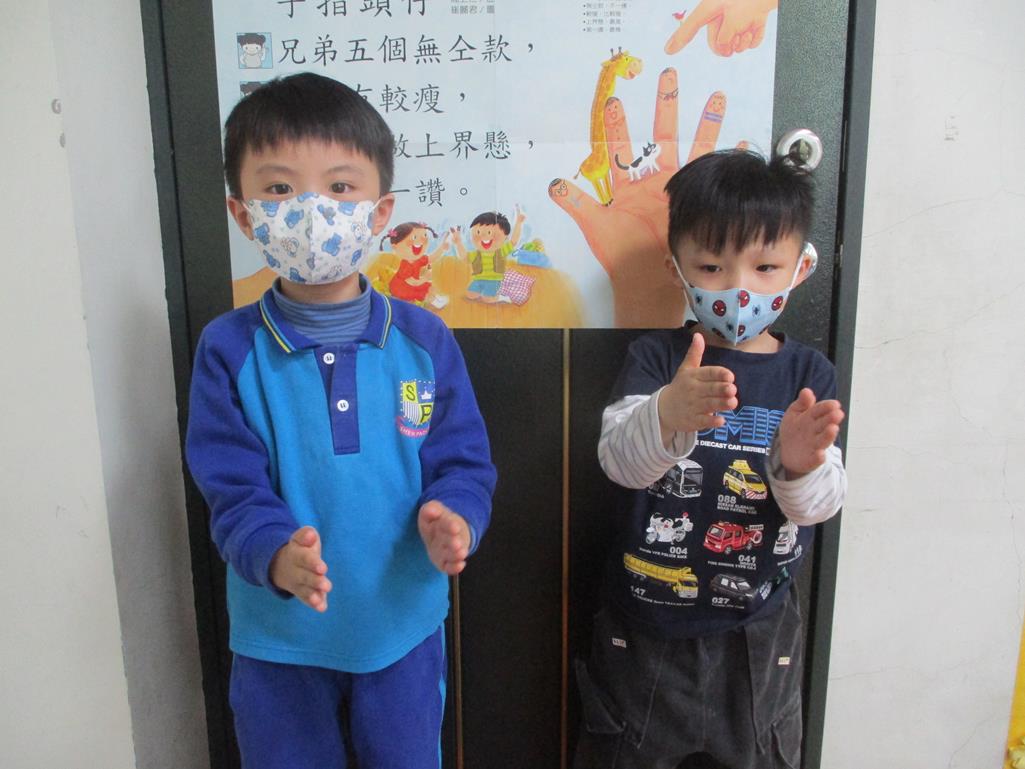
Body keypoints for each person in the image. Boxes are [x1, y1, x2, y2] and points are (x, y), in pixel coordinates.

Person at [185, 73, 496, 769]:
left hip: (401, 624)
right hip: (278, 637)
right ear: (243, 214)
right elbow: (228, 482)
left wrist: (457, 517)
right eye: (278, 188)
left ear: (380, 211)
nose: (311, 210)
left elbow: (463, 461)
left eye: (340, 187)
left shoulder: (424, 339)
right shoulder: (228, 349)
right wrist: (272, 550)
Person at [574, 149, 847, 769]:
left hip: (759, 628)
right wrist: (666, 415)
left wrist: (800, 466)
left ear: (800, 268)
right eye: (712, 267)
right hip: (646, 622)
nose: (738, 289)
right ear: (677, 269)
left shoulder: (809, 374)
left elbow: (821, 506)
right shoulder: (656, 358)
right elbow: (618, 462)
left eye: (765, 266)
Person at [450, 207, 526, 303]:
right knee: (470, 295)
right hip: (478, 280)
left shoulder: (501, 251)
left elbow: (513, 241)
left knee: (488, 300)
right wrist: (458, 242)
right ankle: (489, 294)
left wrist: (518, 223)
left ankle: (501, 295)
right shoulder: (476, 254)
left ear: (505, 236)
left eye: (489, 232)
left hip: (494, 281)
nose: (484, 236)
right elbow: (464, 257)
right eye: (478, 232)